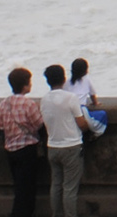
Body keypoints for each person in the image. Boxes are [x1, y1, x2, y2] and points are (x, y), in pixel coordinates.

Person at [39, 64, 94, 217]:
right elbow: (81, 123)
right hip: (71, 146)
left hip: (52, 146)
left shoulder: (44, 100)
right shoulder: (70, 98)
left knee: (56, 185)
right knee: (69, 188)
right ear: (64, 79)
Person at [0, 70, 45, 217]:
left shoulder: (4, 103)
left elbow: (0, 124)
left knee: (18, 185)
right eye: (29, 82)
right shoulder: (29, 103)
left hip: (10, 149)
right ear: (25, 86)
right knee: (28, 188)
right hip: (27, 149)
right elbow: (38, 124)